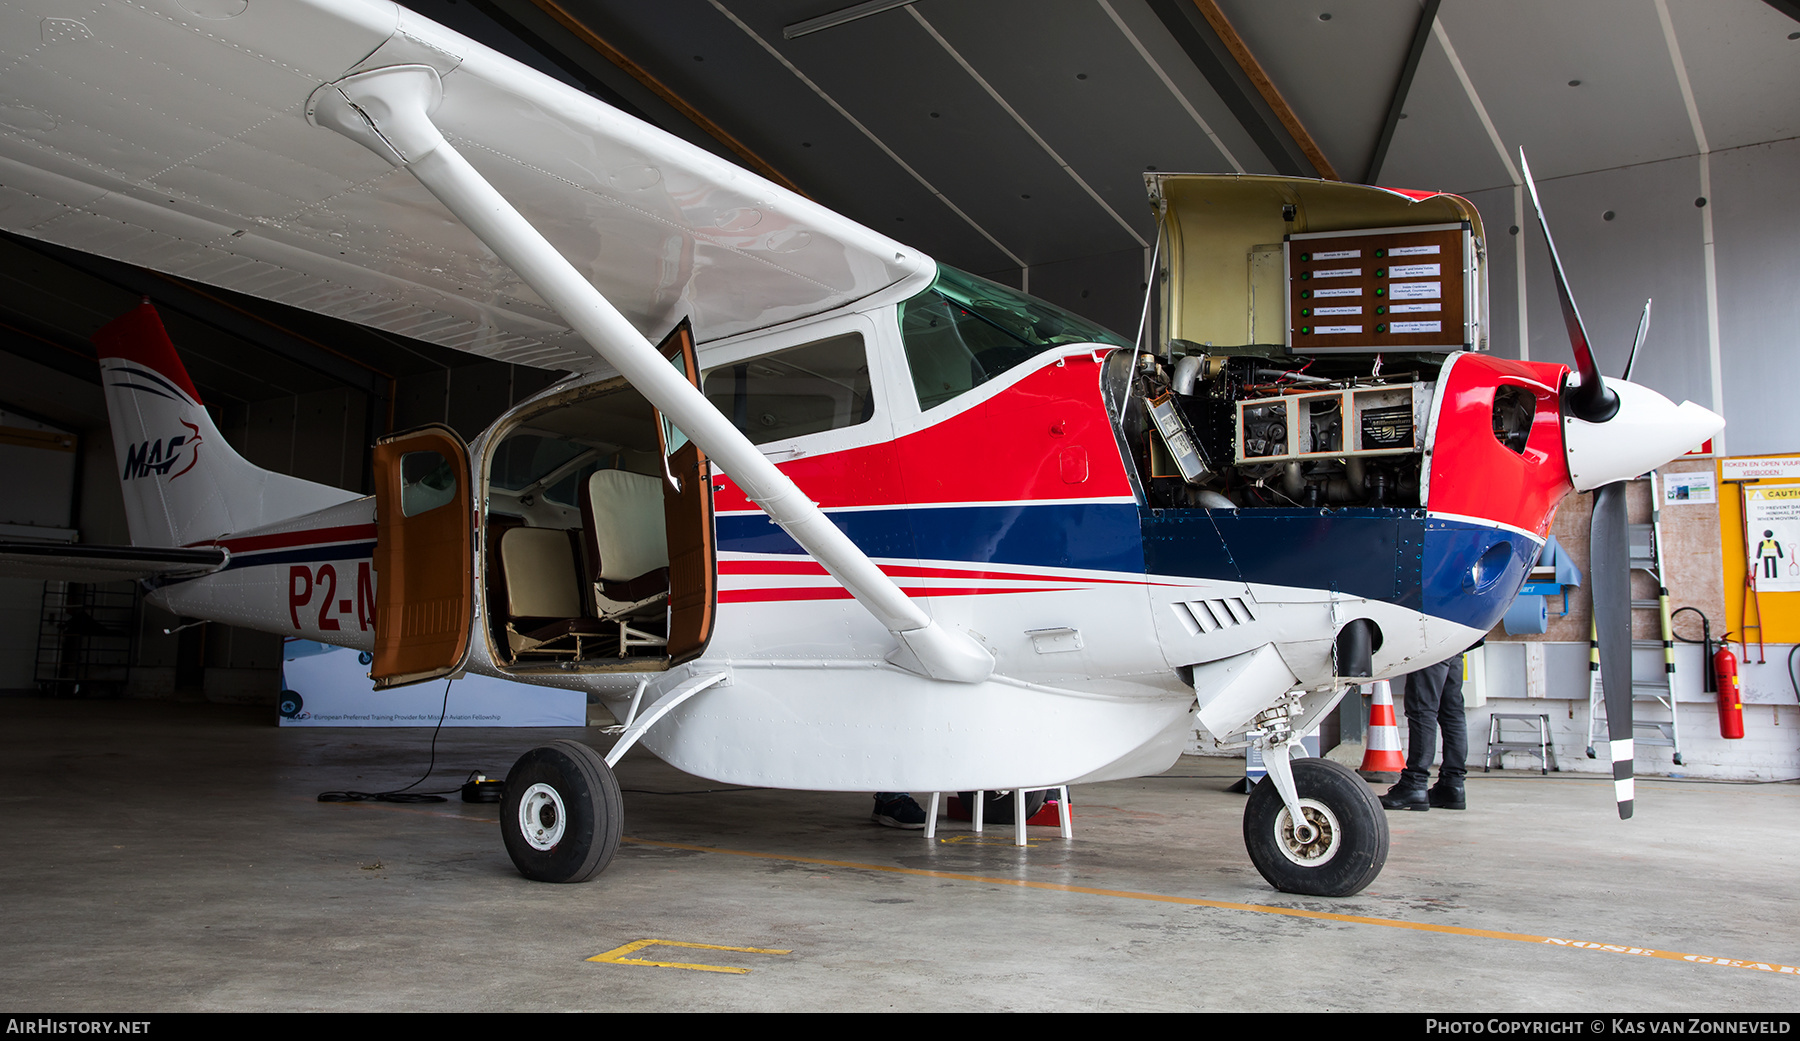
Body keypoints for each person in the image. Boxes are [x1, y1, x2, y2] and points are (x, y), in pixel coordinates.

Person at [1380, 652, 1467, 811]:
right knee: (1452, 711)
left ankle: (1415, 783)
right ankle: (1452, 785)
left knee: (1422, 708)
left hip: (1433, 639)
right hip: (1455, 643)